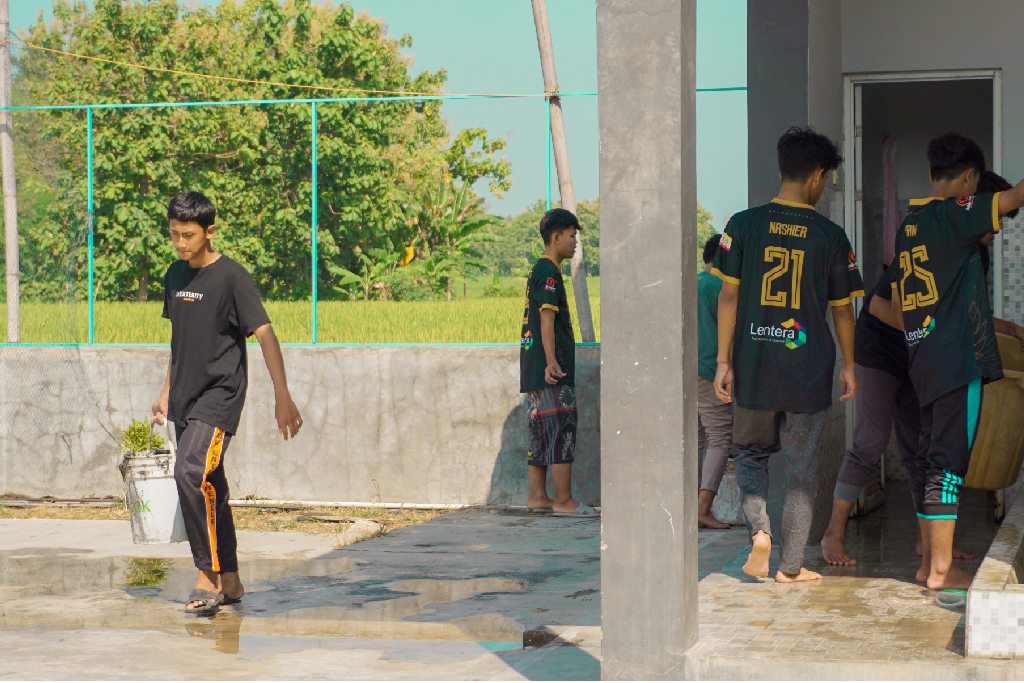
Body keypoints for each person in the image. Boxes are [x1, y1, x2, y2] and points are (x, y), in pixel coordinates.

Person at [822, 169, 1024, 568]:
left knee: (921, 451)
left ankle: (928, 547)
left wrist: (1012, 329)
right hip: (882, 352)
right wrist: (929, 332)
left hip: (920, 358)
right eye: (993, 224)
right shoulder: (936, 238)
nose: (995, 233)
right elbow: (880, 306)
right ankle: (833, 534)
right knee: (871, 441)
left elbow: (967, 312)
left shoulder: (971, 253)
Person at [713, 126, 863, 583]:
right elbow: (842, 308)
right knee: (801, 470)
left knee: (751, 455)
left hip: (754, 364)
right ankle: (791, 567)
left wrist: (723, 360)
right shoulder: (831, 235)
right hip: (807, 368)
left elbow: (728, 297)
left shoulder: (742, 224)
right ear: (817, 175)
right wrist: (850, 364)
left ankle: (760, 532)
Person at [151, 191, 304, 613]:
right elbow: (177, 341)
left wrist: (283, 396)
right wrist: (165, 391)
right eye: (174, 235)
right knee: (210, 485)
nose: (180, 244)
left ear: (210, 232)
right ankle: (232, 581)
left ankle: (208, 575)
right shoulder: (174, 276)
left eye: (188, 235)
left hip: (220, 396)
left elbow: (265, 334)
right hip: (184, 395)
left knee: (191, 470)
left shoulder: (233, 278)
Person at [890, 134, 1024, 589]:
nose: (996, 230)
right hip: (953, 362)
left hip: (923, 358)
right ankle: (943, 572)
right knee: (948, 467)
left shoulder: (912, 223)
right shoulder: (954, 216)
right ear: (969, 181)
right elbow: (1015, 196)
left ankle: (929, 564)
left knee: (931, 463)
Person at [520, 208, 598, 517]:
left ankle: (538, 496)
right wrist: (552, 362)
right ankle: (564, 501)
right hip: (552, 369)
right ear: (556, 237)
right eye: (572, 235)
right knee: (561, 429)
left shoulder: (539, 270)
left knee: (540, 431)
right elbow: (547, 321)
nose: (575, 241)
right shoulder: (549, 273)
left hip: (533, 366)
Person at [697, 233, 733, 529]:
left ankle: (690, 507)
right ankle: (703, 507)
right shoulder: (722, 288)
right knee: (720, 438)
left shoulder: (691, 283)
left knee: (696, 440)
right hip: (710, 371)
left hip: (685, 373)